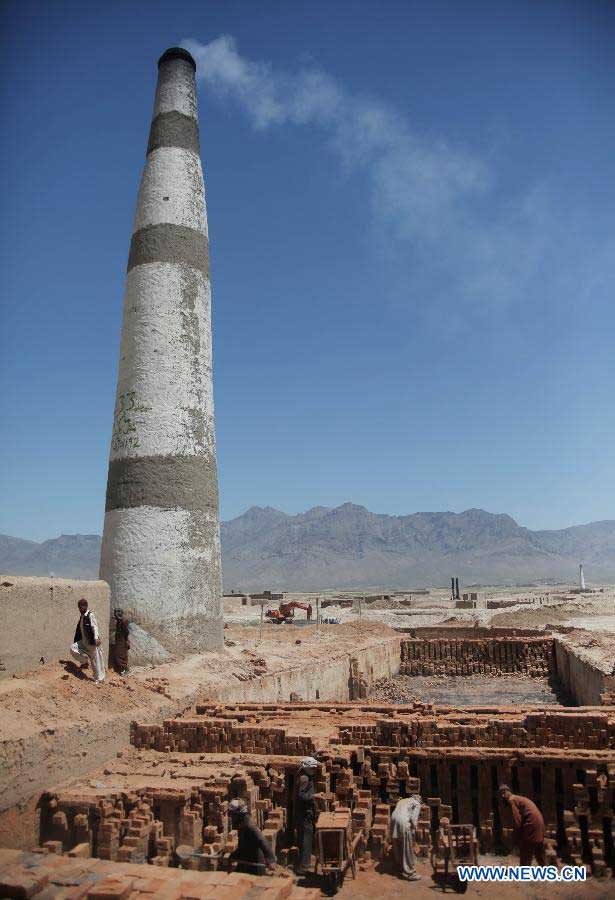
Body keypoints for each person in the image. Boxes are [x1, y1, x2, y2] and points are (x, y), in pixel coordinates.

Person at [498, 784, 545, 865]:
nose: (502, 796)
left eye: (503, 793)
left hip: (531, 825)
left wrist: (516, 838)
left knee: (525, 855)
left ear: (507, 792)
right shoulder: (519, 799)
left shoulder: (512, 800)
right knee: (539, 854)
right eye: (501, 795)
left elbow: (517, 821)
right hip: (539, 825)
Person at [228, 798, 276, 876]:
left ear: (238, 814)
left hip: (256, 865)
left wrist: (271, 860)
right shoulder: (242, 824)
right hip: (247, 862)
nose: (231, 817)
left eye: (232, 814)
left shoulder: (249, 826)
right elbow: (244, 846)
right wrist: (233, 857)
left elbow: (262, 840)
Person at [70, 598, 105, 683]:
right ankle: (84, 661)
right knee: (73, 648)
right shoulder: (82, 617)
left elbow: (95, 627)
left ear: (86, 606)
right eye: (79, 607)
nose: (80, 608)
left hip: (92, 643)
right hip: (84, 642)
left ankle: (99, 679)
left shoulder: (90, 615)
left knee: (96, 662)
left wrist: (96, 638)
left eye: (82, 606)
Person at [390, 794, 422, 881]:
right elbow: (414, 818)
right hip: (403, 820)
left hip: (393, 818)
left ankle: (399, 866)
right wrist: (414, 832)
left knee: (397, 844)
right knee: (407, 847)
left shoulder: (402, 800)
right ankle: (410, 873)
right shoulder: (417, 803)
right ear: (419, 800)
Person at [296, 756, 319, 874]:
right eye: (313, 768)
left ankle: (305, 863)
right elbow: (301, 796)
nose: (315, 770)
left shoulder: (306, 776)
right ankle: (303, 867)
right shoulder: (304, 778)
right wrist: (314, 796)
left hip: (307, 813)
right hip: (305, 814)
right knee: (306, 838)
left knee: (307, 837)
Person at [112, 608, 130, 675]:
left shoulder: (123, 621)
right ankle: (122, 670)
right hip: (119, 640)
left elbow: (126, 632)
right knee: (118, 654)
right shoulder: (119, 622)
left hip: (122, 640)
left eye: (115, 613)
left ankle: (124, 669)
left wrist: (126, 640)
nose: (115, 615)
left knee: (120, 655)